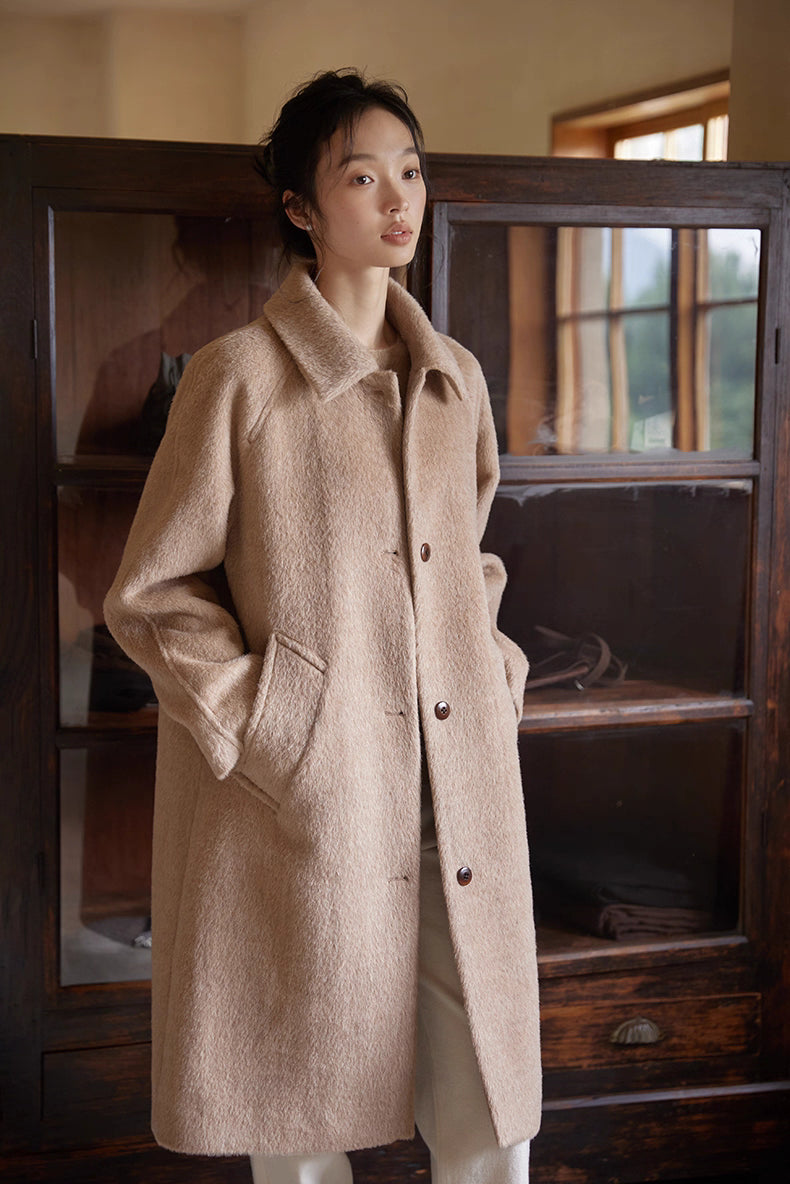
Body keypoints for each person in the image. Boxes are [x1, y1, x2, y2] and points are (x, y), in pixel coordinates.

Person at [104, 68, 541, 1184]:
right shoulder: (236, 378)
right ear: (302, 207)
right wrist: (271, 723)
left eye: (410, 170)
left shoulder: (456, 382)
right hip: (309, 799)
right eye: (361, 175)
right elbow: (152, 590)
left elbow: (466, 557)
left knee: (494, 1111)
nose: (398, 198)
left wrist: (487, 665)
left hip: (458, 791)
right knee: (294, 1110)